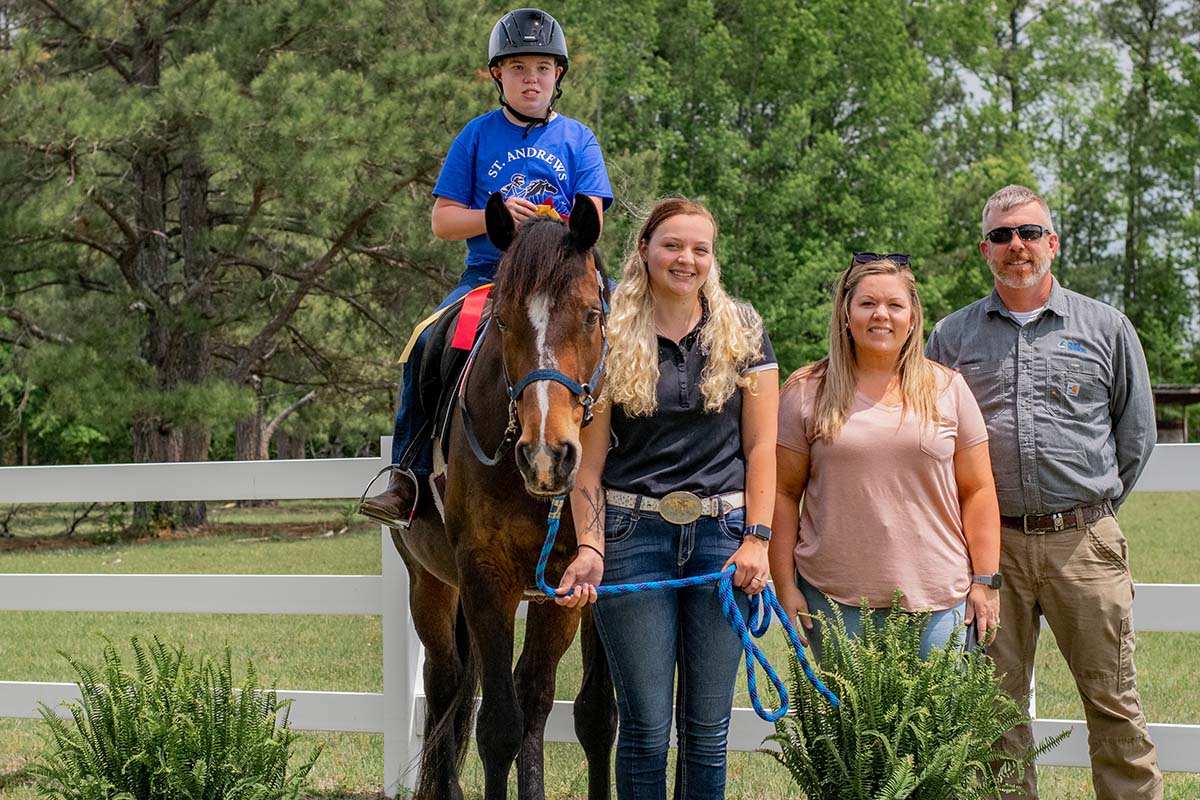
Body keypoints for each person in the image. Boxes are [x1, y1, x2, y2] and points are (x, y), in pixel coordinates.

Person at [926, 184, 1162, 799]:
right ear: (986, 250)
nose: (1017, 247)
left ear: (1051, 242)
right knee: (994, 717)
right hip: (988, 552)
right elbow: (934, 440)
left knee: (1113, 702)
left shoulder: (1106, 327)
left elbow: (1135, 438)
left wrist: (1090, 511)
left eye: (1029, 233)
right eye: (1002, 236)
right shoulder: (951, 338)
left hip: (1083, 544)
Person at [553, 197, 778, 799]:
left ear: (713, 257)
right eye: (673, 245)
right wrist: (591, 548)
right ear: (645, 252)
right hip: (633, 537)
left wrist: (758, 539)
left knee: (707, 731)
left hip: (723, 541)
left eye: (700, 248)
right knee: (647, 730)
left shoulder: (745, 330)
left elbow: (761, 450)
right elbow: (590, 466)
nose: (687, 259)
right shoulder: (611, 334)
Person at [359, 7, 613, 528]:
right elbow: (442, 220)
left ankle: (630, 476)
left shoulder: (578, 139)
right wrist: (493, 217)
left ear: (557, 75)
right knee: (426, 341)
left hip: (565, 283)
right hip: (491, 280)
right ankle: (406, 476)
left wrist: (544, 222)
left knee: (630, 344)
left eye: (543, 68)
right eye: (519, 68)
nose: (532, 78)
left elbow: (595, 216)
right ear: (499, 75)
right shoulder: (475, 137)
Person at [771, 254, 1001, 661]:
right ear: (846, 313)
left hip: (938, 601)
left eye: (895, 305)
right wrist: (785, 586)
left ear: (912, 317)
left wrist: (984, 580)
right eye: (867, 304)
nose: (882, 315)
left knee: (936, 724)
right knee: (846, 725)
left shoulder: (948, 388)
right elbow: (783, 493)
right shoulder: (806, 390)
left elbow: (978, 489)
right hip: (834, 603)